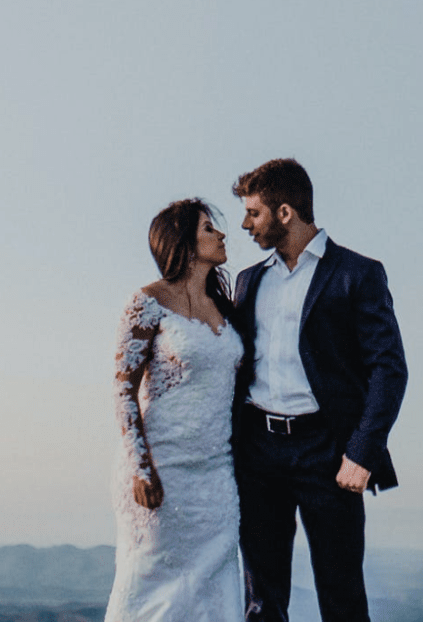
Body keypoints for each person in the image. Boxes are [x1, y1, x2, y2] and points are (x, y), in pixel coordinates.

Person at [231, 158, 407, 623]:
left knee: (342, 595)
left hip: (329, 454)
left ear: (285, 212)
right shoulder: (249, 281)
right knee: (262, 601)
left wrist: (362, 453)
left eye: (254, 213)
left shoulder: (358, 274)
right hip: (258, 451)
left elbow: (389, 370)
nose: (245, 224)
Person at [106, 199, 247, 622]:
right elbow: (123, 390)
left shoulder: (225, 307)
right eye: (209, 228)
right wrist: (141, 467)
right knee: (151, 593)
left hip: (216, 479)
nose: (222, 235)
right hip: (160, 470)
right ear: (183, 241)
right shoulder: (147, 301)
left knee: (214, 595)